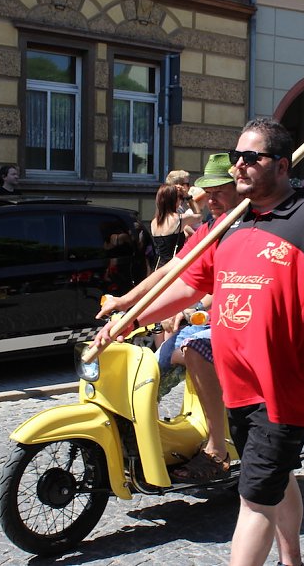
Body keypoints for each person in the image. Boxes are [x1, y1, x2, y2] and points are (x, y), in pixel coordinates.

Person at [96, 119, 304, 566]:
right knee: (275, 476)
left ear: (280, 164)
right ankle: (291, 558)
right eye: (236, 155)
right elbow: (186, 287)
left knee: (253, 496)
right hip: (237, 385)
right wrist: (131, 319)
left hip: (285, 389)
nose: (239, 164)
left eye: (250, 157)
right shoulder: (232, 225)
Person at [100, 153, 242, 482]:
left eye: (218, 191)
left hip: (237, 324)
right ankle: (142, 432)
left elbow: (211, 287)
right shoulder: (211, 226)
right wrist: (127, 304)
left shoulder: (242, 227)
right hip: (209, 319)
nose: (209, 199)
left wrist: (193, 308)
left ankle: (217, 449)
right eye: (207, 192)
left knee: (193, 346)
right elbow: (172, 272)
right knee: (158, 362)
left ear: (238, 189)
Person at [151, 184, 202, 269]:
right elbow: (199, 216)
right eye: (180, 197)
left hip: (159, 267)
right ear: (174, 200)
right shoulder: (179, 219)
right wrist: (188, 197)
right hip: (175, 267)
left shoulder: (154, 222)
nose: (181, 200)